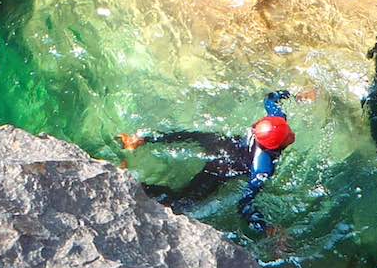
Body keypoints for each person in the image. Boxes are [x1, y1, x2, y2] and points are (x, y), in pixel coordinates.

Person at [119, 89, 313, 234]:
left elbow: (271, 98)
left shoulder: (275, 122)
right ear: (275, 146)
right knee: (183, 202)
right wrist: (264, 228)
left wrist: (296, 95)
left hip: (220, 142)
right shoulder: (262, 167)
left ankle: (140, 141)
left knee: (187, 136)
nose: (292, 134)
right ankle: (130, 185)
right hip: (222, 167)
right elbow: (244, 204)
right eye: (288, 136)